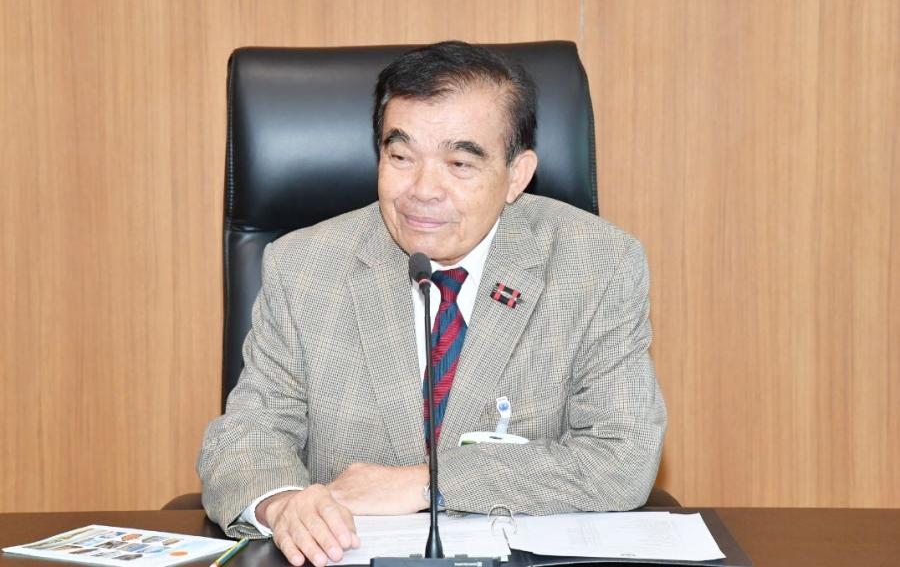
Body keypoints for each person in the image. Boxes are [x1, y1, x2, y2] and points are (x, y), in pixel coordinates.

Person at [198, 41, 666, 567]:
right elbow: (246, 438)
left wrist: (427, 484)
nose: (422, 190)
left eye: (459, 163)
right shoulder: (305, 266)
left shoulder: (597, 265)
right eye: (400, 157)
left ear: (516, 175)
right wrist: (284, 506)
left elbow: (622, 457)